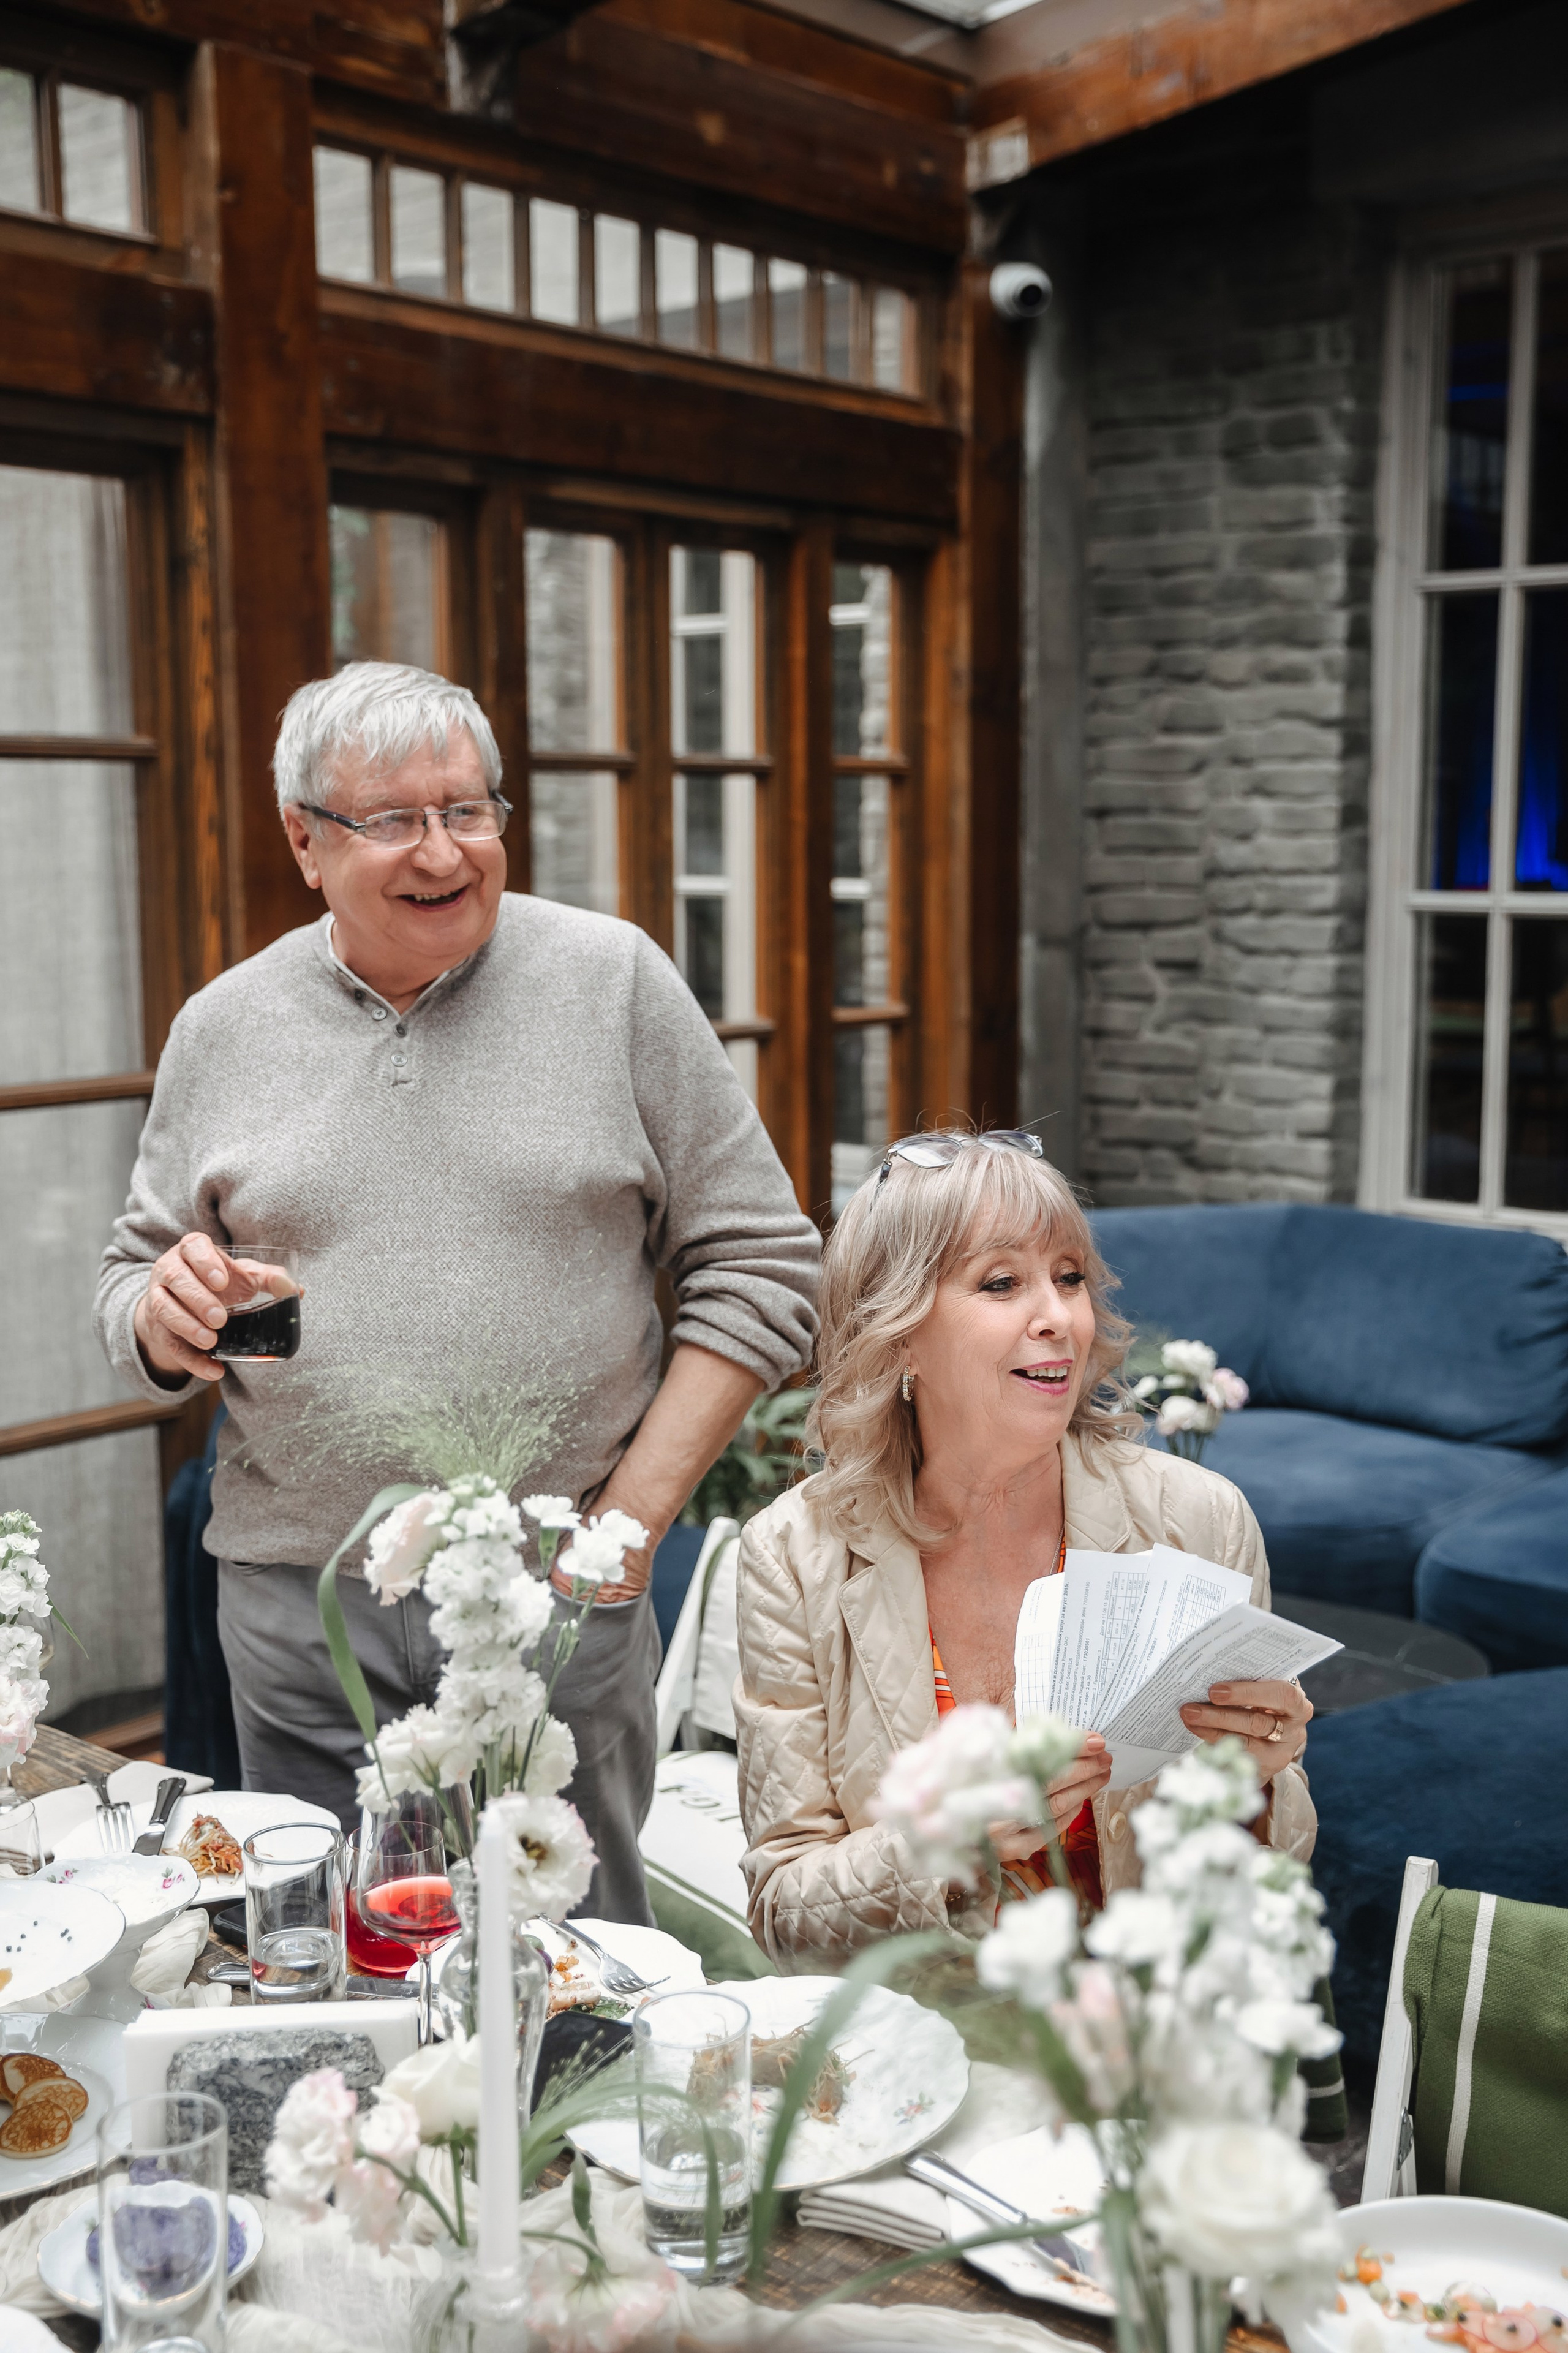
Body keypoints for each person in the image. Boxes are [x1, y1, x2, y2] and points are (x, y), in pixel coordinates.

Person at [95, 662, 820, 1922]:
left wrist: (626, 1531)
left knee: (574, 1964)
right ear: (304, 841)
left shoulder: (614, 984)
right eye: (393, 819)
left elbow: (763, 1264)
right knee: (327, 1956)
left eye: (468, 810)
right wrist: (161, 1316)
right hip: (299, 1597)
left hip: (558, 1591)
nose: (444, 851)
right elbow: (133, 1277)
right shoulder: (222, 1025)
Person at [733, 1129, 1313, 1963]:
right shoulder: (796, 1553)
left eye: (1070, 1276)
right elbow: (783, 1910)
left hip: (1139, 2034)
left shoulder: (1199, 1521)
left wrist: (1257, 1783)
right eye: (1002, 1281)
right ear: (899, 1334)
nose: (1059, 1318)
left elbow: (1268, 1891)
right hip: (920, 2051)